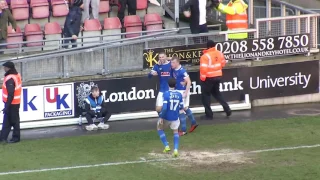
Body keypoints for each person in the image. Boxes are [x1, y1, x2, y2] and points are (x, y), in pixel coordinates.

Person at [199, 40, 231, 120]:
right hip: (218, 76)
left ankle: (209, 115)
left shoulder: (205, 56)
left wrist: (202, 79)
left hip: (208, 78)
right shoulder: (219, 53)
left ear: (207, 46)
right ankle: (227, 109)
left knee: (206, 96)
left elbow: (203, 69)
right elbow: (223, 64)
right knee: (217, 94)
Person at [171, 57, 198, 136]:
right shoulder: (174, 69)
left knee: (180, 110)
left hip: (182, 92)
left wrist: (186, 92)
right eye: (171, 62)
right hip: (178, 91)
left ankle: (183, 130)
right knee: (185, 108)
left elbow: (189, 81)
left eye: (173, 63)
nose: (171, 64)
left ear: (177, 63)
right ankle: (193, 123)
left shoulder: (182, 71)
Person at [157, 78, 183, 157]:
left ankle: (166, 146)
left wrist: (161, 116)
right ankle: (175, 150)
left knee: (159, 129)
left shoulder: (166, 94)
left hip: (166, 117)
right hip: (175, 117)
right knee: (175, 132)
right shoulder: (179, 94)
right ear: (176, 85)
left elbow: (164, 108)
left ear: (168, 85)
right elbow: (181, 106)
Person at [0, 61, 22, 144]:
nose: (4, 69)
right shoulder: (16, 75)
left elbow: (11, 94)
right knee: (8, 121)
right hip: (14, 103)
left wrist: (7, 106)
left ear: (8, 68)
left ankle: (15, 138)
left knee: (13, 121)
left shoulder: (10, 78)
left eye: (5, 67)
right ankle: (3, 137)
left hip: (12, 103)